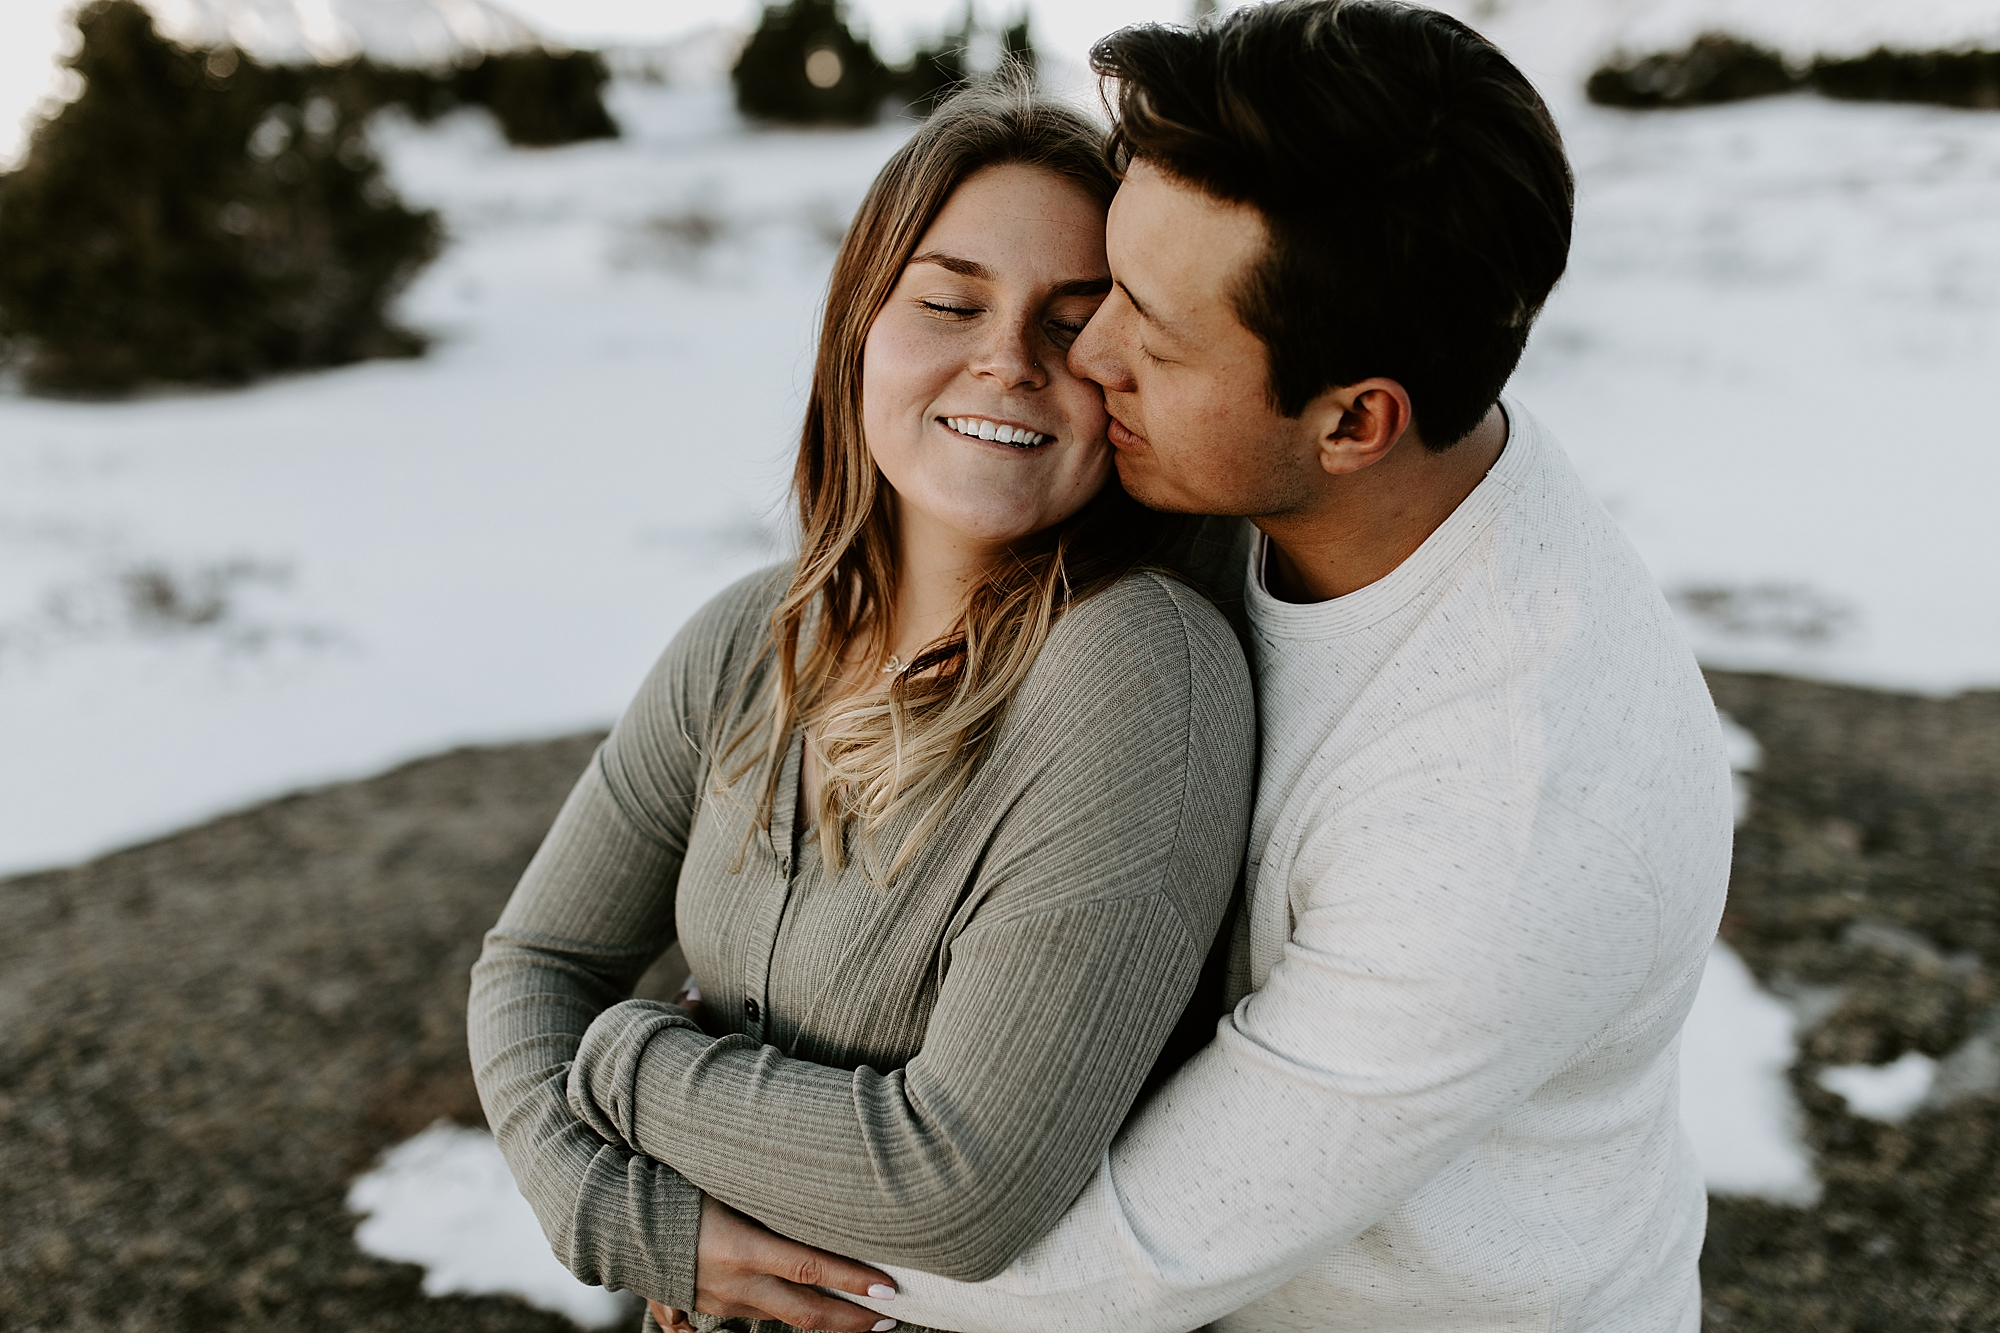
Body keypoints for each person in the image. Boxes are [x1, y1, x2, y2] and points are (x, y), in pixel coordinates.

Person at [666, 4, 1737, 1331]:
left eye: (1155, 338)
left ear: (1356, 421)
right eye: (1112, 280)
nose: (1086, 353)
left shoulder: (1512, 813)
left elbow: (1121, 1259)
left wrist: (665, 1207)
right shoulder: (1310, 450)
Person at [465, 81, 1257, 1333]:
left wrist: (625, 1059)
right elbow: (534, 962)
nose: (1006, 359)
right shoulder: (750, 632)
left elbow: (960, 1186)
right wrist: (615, 1211)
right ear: (859, 327)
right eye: (949, 301)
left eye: (1073, 321)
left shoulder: (1135, 668)